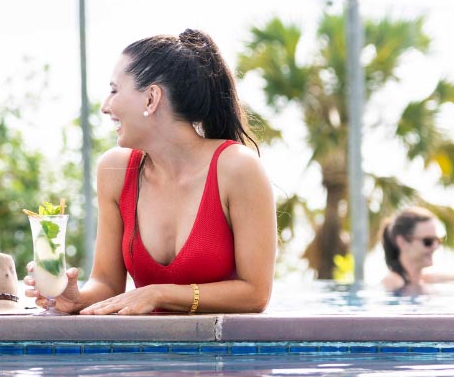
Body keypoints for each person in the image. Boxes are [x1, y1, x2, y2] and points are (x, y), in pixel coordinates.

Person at [30, 29, 275, 315]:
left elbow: (255, 294)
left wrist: (158, 294)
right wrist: (75, 297)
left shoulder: (237, 168)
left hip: (221, 357)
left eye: (114, 90)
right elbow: (107, 283)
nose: (105, 106)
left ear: (151, 98)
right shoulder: (115, 171)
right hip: (148, 358)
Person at [379, 206, 454, 294]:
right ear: (402, 242)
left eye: (438, 240)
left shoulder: (424, 279)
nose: (435, 246)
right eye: (428, 241)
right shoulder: (394, 282)